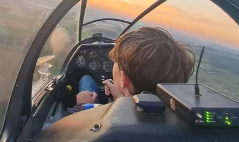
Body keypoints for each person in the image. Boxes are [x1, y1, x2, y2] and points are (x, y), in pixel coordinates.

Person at [67, 27, 195, 114]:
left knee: (86, 80)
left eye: (114, 64)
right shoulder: (179, 120)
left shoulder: (108, 127)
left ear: (124, 79)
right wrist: (120, 97)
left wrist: (82, 106)